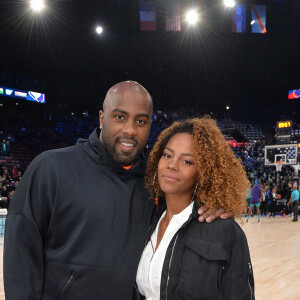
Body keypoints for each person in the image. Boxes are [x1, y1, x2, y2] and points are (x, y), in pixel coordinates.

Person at [4, 81, 231, 299]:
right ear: (102, 118)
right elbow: (20, 259)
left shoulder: (156, 182)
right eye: (120, 117)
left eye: (141, 121)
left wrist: (215, 203)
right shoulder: (51, 169)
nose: (130, 130)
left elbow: (190, 206)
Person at [136, 118, 254, 299]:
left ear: (205, 173)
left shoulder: (225, 231)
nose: (172, 165)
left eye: (187, 162)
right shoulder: (147, 220)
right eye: (167, 155)